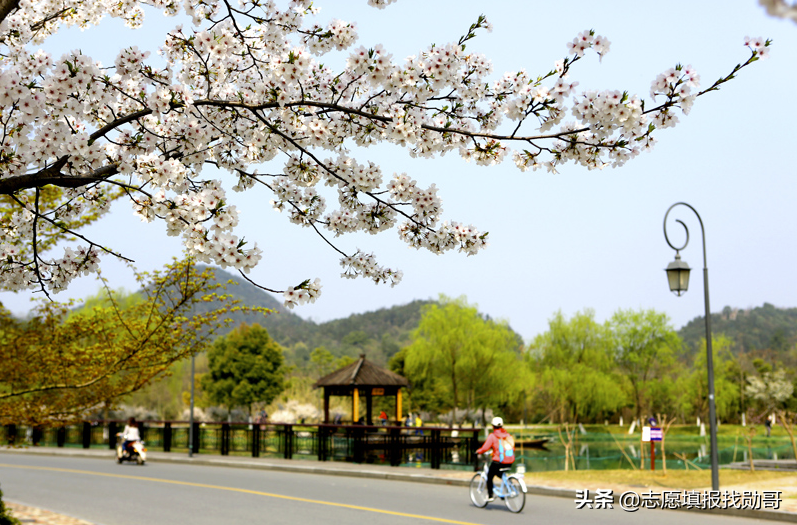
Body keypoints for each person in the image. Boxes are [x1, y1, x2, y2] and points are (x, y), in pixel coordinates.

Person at [475, 416, 515, 502]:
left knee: (489, 476)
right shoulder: (507, 435)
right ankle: (507, 487)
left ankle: (490, 496)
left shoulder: (492, 436)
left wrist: (478, 451)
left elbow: (485, 448)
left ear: (493, 426)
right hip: (510, 461)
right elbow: (512, 448)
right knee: (499, 473)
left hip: (499, 462)